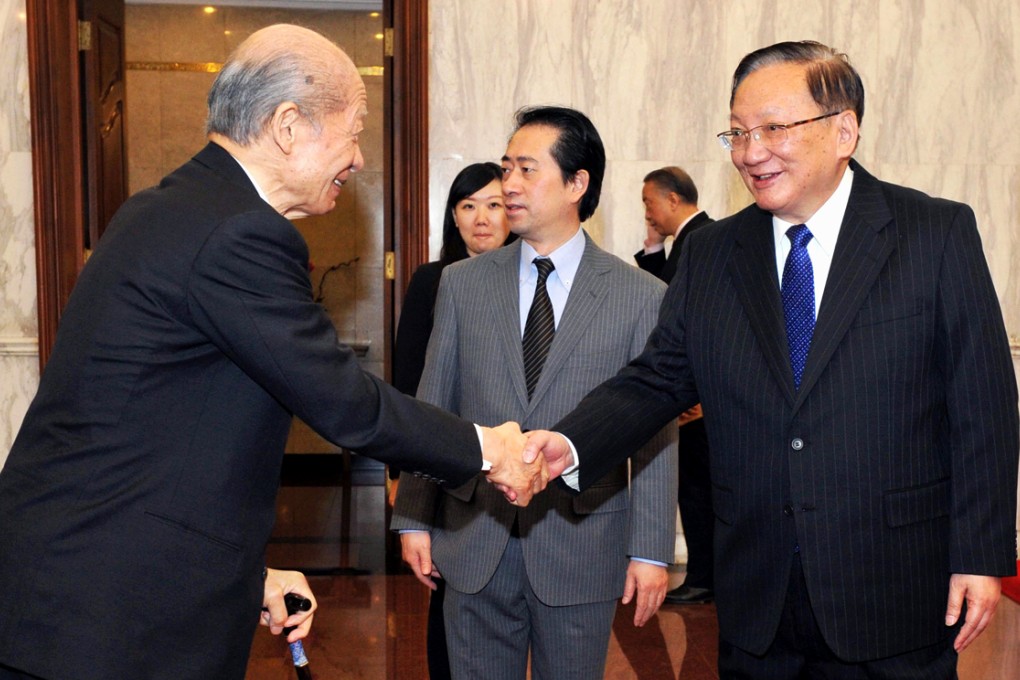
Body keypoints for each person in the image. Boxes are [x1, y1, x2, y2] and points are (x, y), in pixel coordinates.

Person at [0, 24, 545, 680]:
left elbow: (165, 432)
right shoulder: (238, 233)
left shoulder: (169, 208)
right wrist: (492, 450)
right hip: (107, 617)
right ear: (289, 125)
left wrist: (249, 574)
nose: (360, 160)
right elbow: (345, 403)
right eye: (355, 130)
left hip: (85, 584)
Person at [525, 41, 1019, 678]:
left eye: (774, 129)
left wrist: (979, 556)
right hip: (758, 595)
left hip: (894, 587)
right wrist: (567, 444)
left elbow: (983, 407)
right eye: (738, 132)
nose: (750, 152)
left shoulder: (934, 233)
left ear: (844, 130)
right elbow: (657, 379)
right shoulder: (712, 255)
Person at [391, 106, 678, 680]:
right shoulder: (462, 285)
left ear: (577, 183)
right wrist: (414, 518)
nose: (509, 185)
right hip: (474, 536)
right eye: (507, 168)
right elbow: (433, 407)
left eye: (527, 169)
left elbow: (653, 430)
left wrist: (650, 550)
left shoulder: (639, 295)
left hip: (582, 542)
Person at [391, 161, 515, 679]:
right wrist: (400, 474)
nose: (481, 218)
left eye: (493, 204)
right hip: (450, 463)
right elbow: (409, 382)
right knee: (449, 596)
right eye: (468, 206)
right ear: (454, 217)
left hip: (521, 463)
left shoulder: (532, 277)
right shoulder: (433, 280)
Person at [633, 166, 716, 606]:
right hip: (692, 397)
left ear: (671, 200)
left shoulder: (703, 239)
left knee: (699, 489)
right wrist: (651, 248)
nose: (647, 213)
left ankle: (706, 575)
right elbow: (663, 294)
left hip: (699, 401)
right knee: (693, 487)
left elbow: (703, 323)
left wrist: (699, 394)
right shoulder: (682, 243)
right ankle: (706, 572)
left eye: (649, 203)